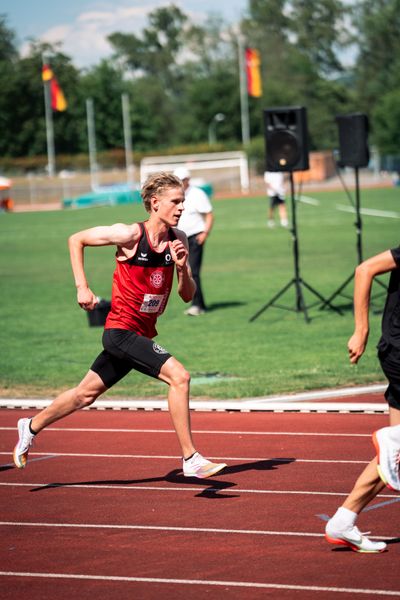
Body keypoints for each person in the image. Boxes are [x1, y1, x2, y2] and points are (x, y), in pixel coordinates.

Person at [13, 172, 226, 479]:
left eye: (183, 201)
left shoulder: (178, 240)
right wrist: (81, 287)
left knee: (84, 395)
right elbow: (77, 239)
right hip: (120, 331)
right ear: (155, 203)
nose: (181, 207)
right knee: (179, 377)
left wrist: (182, 269)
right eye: (175, 201)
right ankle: (190, 457)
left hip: (140, 332)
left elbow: (186, 295)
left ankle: (29, 426)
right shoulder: (129, 234)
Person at [325, 248, 400, 553]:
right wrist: (361, 328)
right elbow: (364, 270)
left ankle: (344, 520)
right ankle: (394, 440)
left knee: (394, 459)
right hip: (399, 349)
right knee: (395, 449)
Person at [174, 167, 213, 316]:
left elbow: (209, 214)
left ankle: (197, 305)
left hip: (195, 236)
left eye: (181, 180)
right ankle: (199, 304)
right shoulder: (176, 194)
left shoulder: (197, 194)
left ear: (187, 180)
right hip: (180, 238)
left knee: (193, 272)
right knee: (186, 271)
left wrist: (205, 233)